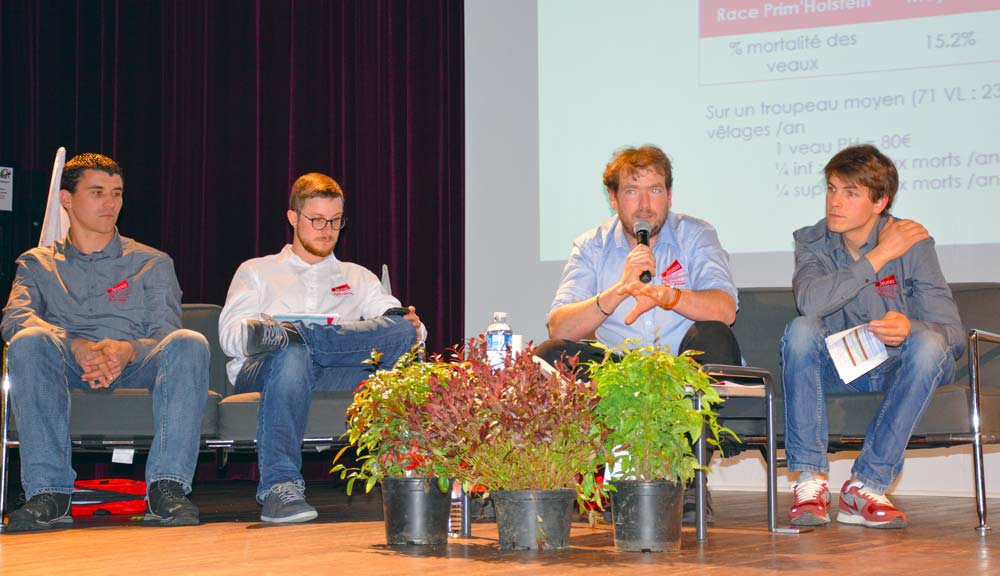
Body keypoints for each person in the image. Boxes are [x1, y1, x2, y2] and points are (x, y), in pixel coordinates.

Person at [1, 153, 210, 531]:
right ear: (67, 199)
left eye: (117, 193)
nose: (111, 203)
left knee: (189, 342)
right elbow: (15, 318)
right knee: (29, 339)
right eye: (97, 192)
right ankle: (49, 493)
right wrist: (75, 345)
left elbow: (165, 332)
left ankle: (167, 489)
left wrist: (128, 350)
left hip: (135, 367)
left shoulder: (152, 261)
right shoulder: (36, 263)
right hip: (62, 368)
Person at [536, 144, 742, 522]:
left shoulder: (695, 234)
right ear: (613, 199)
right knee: (553, 352)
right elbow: (559, 326)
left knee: (714, 336)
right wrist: (619, 289)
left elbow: (725, 310)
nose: (645, 205)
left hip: (682, 364)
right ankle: (616, 479)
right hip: (620, 371)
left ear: (669, 195)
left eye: (656, 190)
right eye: (632, 191)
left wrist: (667, 296)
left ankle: (688, 478)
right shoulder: (591, 245)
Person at [219, 172, 423, 524]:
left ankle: (298, 334)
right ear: (293, 218)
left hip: (332, 372)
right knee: (291, 354)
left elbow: (407, 334)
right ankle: (279, 488)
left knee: (403, 330)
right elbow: (233, 338)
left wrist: (411, 325)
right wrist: (278, 340)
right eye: (316, 220)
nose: (327, 230)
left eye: (335, 221)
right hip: (265, 372)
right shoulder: (257, 271)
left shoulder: (358, 276)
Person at [782, 144, 964, 529]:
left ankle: (865, 485)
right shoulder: (812, 242)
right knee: (800, 331)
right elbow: (809, 302)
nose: (835, 202)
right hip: (844, 368)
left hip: (905, 367)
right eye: (832, 189)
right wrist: (878, 257)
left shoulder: (913, 244)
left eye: (850, 193)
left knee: (930, 342)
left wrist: (910, 328)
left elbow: (954, 336)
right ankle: (810, 481)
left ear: (880, 201)